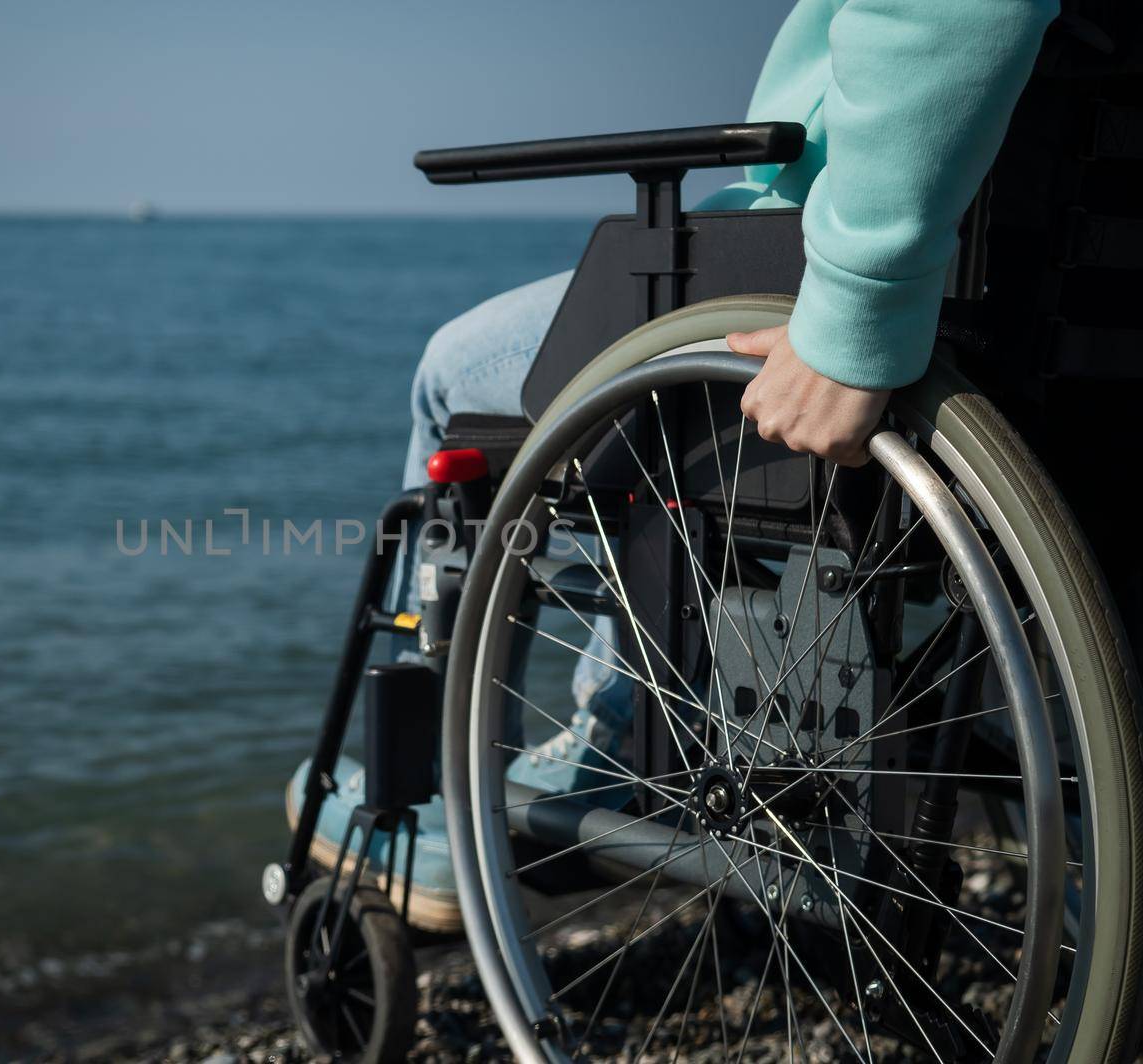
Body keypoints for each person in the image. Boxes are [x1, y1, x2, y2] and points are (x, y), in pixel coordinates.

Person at [290, 0, 1061, 929]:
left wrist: (859, 302)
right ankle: (616, 710)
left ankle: (476, 798)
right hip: (1045, 333)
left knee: (456, 370)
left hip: (826, 272)